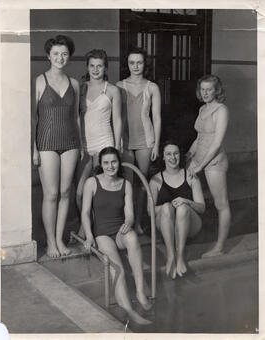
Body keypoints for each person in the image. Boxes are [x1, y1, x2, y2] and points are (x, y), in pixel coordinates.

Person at [82, 147, 152, 325]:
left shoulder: (125, 184)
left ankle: (140, 292)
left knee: (132, 237)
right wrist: (89, 237)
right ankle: (129, 311)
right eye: (106, 162)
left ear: (119, 162)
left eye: (113, 162)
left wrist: (128, 222)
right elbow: (85, 213)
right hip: (102, 234)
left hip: (119, 231)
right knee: (118, 268)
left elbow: (129, 213)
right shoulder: (92, 183)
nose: (110, 166)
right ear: (101, 164)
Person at [33, 35, 83, 258]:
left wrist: (80, 145)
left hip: (71, 142)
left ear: (69, 56)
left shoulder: (74, 84)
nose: (60, 58)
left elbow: (76, 117)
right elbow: (32, 118)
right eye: (56, 54)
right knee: (51, 193)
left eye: (64, 54)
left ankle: (60, 239)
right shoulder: (40, 81)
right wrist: (33, 149)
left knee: (65, 192)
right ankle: (51, 243)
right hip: (46, 142)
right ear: (48, 56)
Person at [117, 47, 161, 234]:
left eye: (139, 62)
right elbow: (115, 116)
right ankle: (128, 220)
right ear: (127, 64)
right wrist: (117, 140)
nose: (136, 66)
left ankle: (139, 223)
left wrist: (156, 144)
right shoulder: (119, 86)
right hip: (125, 140)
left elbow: (157, 117)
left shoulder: (152, 87)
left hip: (145, 140)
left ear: (145, 64)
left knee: (142, 183)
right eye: (132, 62)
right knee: (127, 183)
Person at [187, 74, 231, 258]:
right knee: (192, 199)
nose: (205, 93)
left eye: (209, 89)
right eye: (202, 89)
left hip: (214, 161)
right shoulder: (202, 109)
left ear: (217, 90)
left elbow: (216, 143)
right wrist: (188, 156)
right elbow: (199, 138)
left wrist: (200, 165)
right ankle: (188, 234)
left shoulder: (221, 110)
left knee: (221, 204)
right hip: (198, 159)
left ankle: (219, 247)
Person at [149, 140, 205, 278]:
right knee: (167, 207)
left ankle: (180, 257)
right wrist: (168, 206)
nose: (172, 158)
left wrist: (186, 202)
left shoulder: (191, 176)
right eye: (168, 154)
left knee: (182, 208)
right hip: (166, 223)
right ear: (163, 156)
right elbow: (150, 212)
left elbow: (202, 208)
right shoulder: (156, 180)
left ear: (180, 155)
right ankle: (171, 255)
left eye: (176, 153)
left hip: (190, 225)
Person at [76, 49, 122, 217]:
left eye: (100, 66)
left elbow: (117, 120)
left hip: (105, 143)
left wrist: (116, 147)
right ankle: (85, 225)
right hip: (85, 146)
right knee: (80, 193)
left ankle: (100, 228)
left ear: (106, 68)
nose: (96, 70)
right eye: (92, 66)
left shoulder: (112, 90)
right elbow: (76, 119)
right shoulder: (80, 89)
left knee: (102, 192)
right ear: (87, 67)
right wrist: (79, 146)